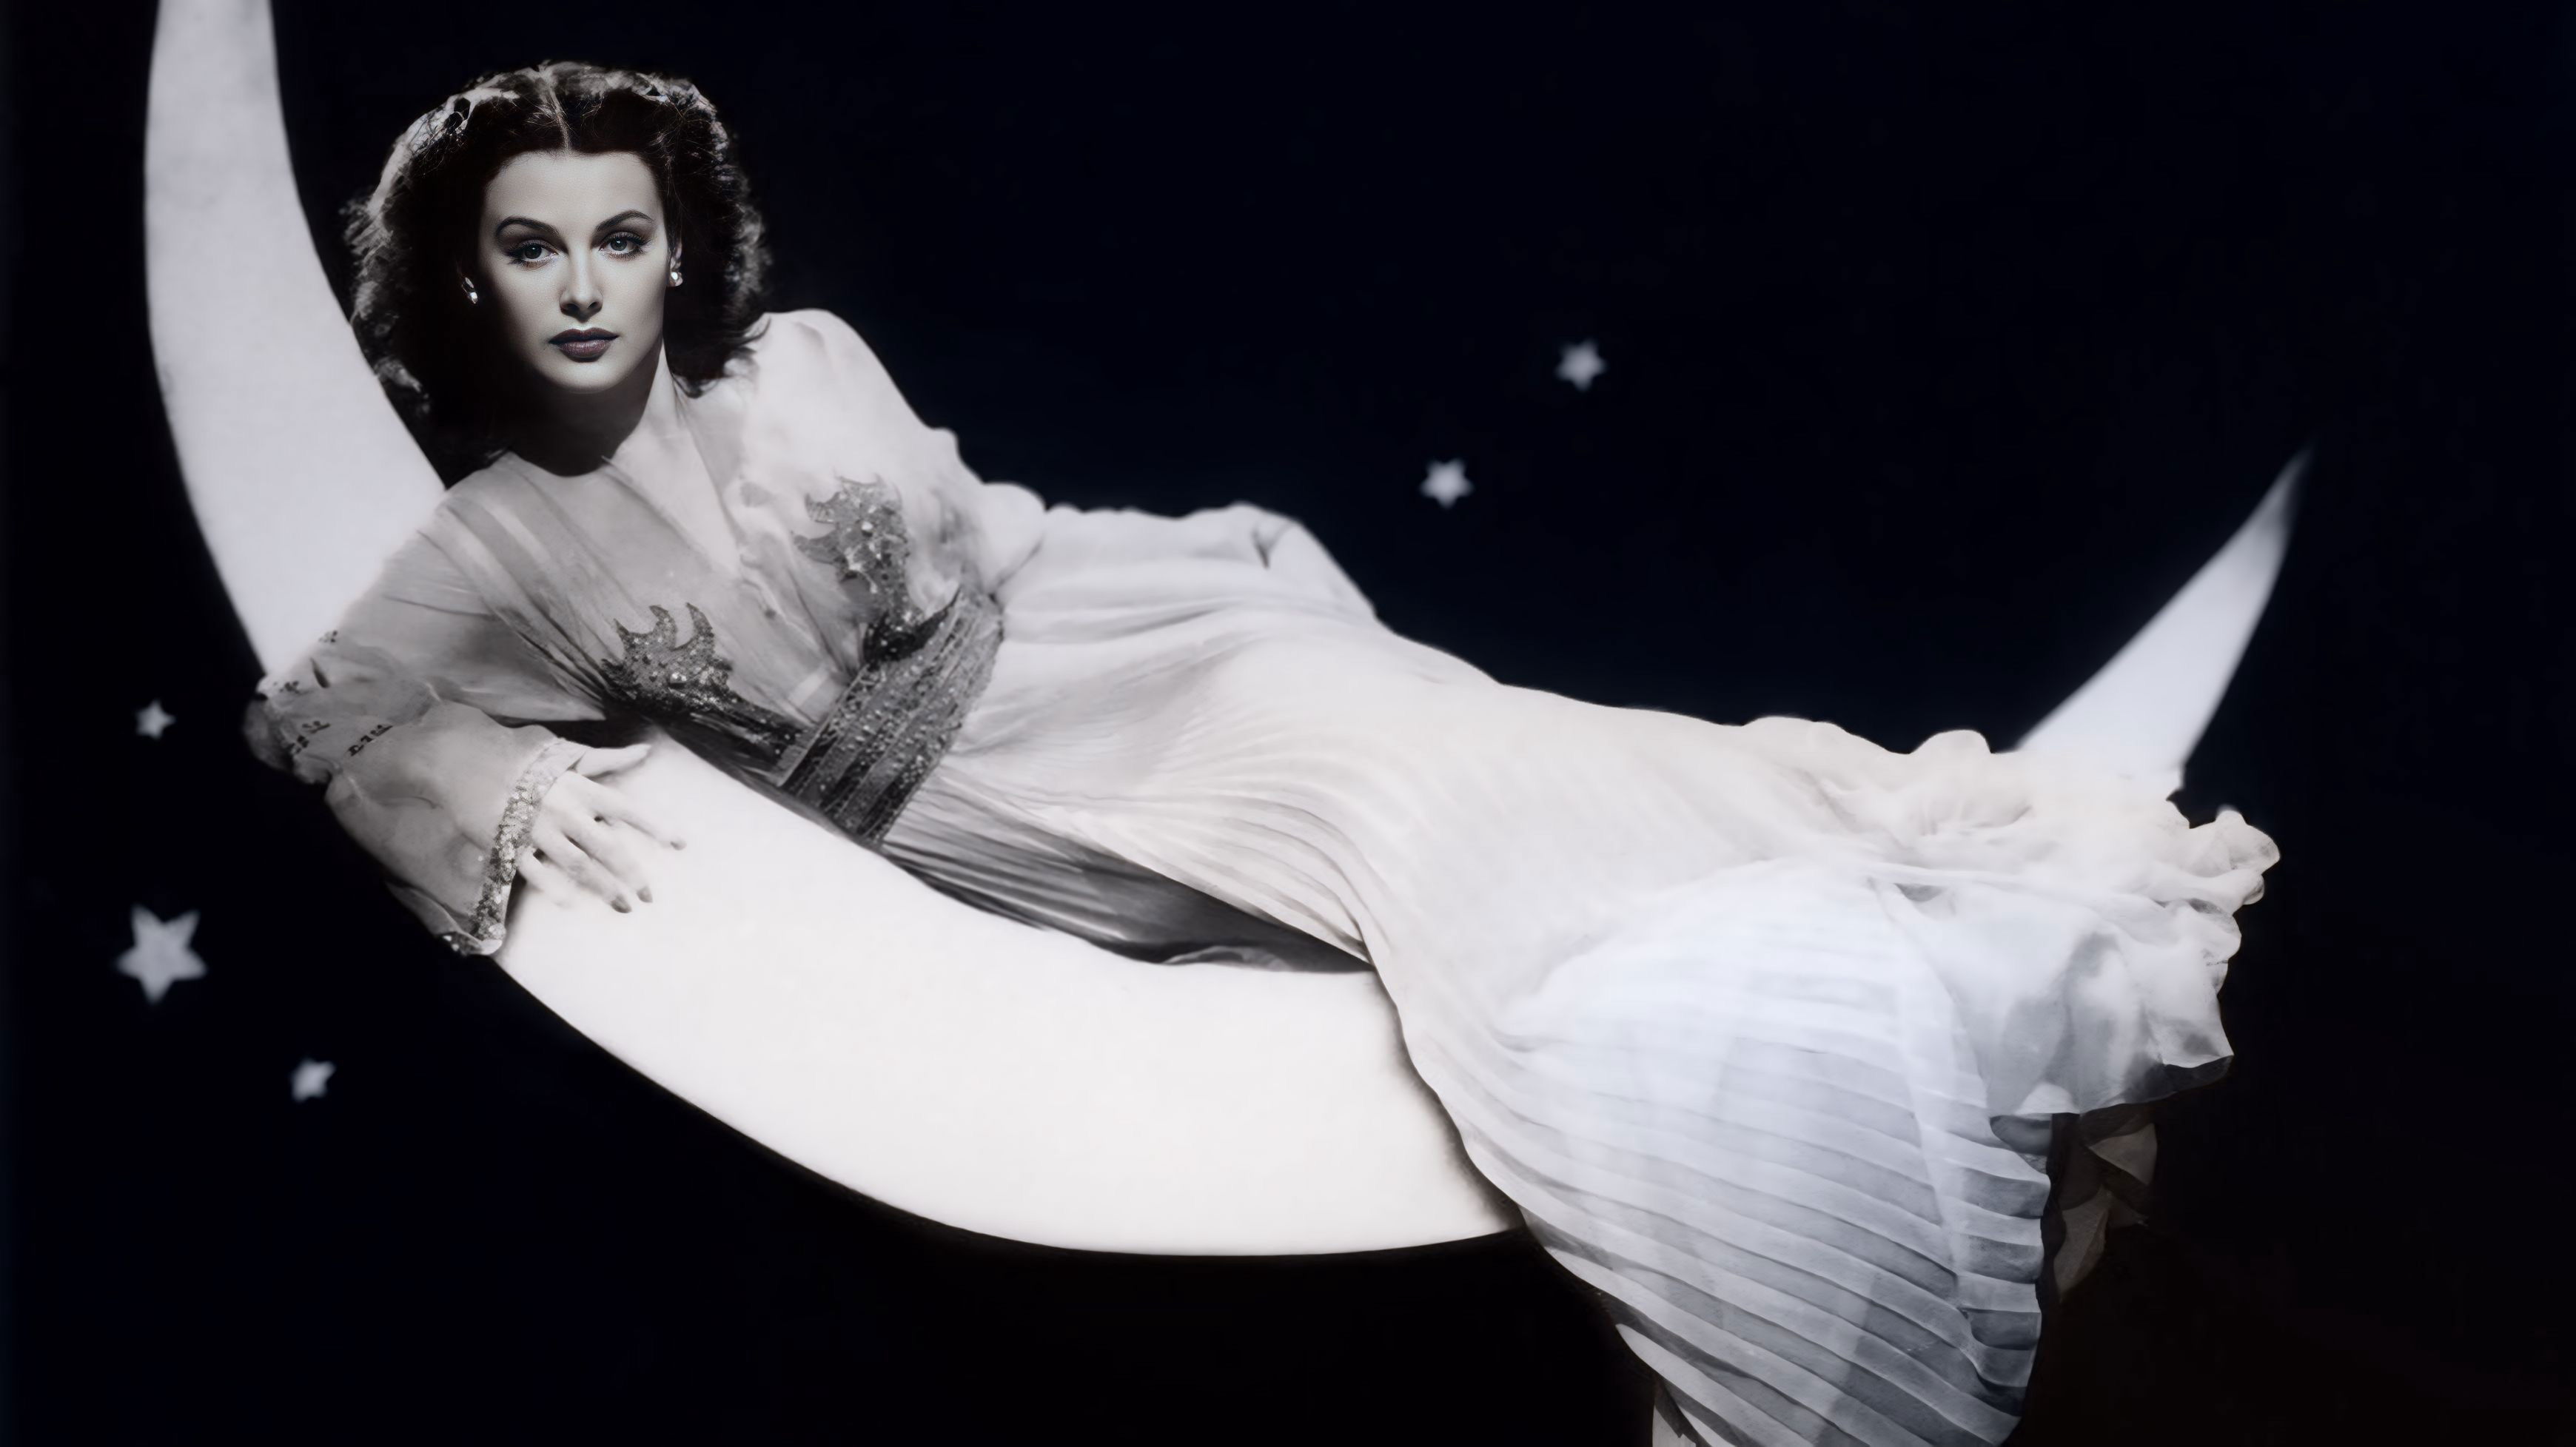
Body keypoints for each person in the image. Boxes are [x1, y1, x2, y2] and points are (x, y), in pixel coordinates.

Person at [224, 51, 2275, 1447]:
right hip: (999, 819)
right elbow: (317, 713)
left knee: (1483, 786)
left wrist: (1225, 560)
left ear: (676, 244)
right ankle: (1920, 1119)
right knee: (1453, 901)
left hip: (1137, 654)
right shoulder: (492, 549)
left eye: (618, 237)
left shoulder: (807, 364)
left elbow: (1000, 533)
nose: (585, 287)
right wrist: (491, 783)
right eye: (533, 247)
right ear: (471, 272)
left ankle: (1948, 1035)